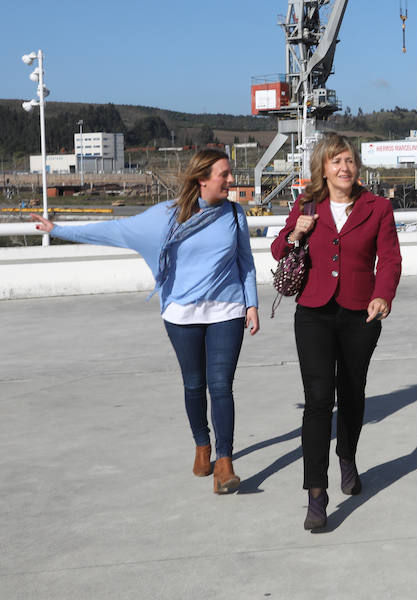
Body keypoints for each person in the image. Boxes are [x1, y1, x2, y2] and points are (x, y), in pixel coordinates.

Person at [32, 149, 259, 494]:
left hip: (227, 309)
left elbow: (245, 261)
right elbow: (116, 230)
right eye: (224, 175)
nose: (231, 180)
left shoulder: (234, 213)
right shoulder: (166, 217)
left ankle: (224, 464)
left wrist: (251, 304)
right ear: (202, 179)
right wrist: (59, 229)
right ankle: (202, 445)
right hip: (181, 313)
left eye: (230, 174)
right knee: (194, 384)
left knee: (221, 386)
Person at [271, 133, 402, 530]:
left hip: (361, 313)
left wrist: (383, 296)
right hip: (313, 312)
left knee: (352, 393)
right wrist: (297, 232)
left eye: (349, 161)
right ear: (322, 168)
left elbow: (391, 259)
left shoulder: (377, 207)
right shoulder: (307, 203)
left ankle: (347, 454)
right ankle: (316, 493)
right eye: (336, 161)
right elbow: (279, 249)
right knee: (317, 400)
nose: (344, 168)